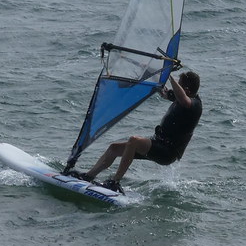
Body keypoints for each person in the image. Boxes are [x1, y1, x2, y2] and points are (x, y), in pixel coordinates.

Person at [70, 70, 202, 193]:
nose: (176, 89)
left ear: (186, 90)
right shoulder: (181, 97)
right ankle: (89, 176)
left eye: (179, 86)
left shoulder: (194, 105)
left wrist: (169, 74)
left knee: (134, 141)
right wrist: (156, 76)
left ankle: (115, 182)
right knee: (114, 148)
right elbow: (166, 94)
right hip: (158, 143)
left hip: (168, 152)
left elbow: (184, 99)